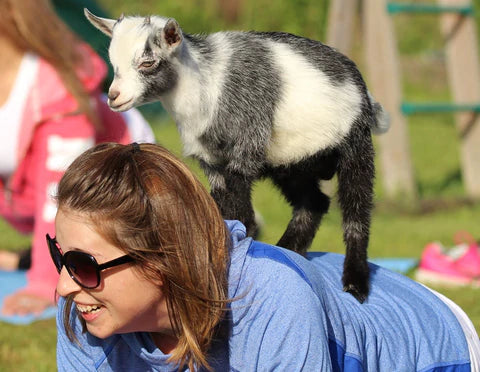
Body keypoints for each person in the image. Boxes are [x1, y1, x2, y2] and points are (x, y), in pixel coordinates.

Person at [51, 142, 480, 371]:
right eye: (62, 258)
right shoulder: (83, 313)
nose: (63, 285)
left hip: (426, 344)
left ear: (161, 261)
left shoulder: (272, 306)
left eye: (85, 267)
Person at [0, 0, 155, 317]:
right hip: (26, 200)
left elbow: (62, 195)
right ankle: (22, 258)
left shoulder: (53, 86)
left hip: (122, 198)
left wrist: (45, 283)